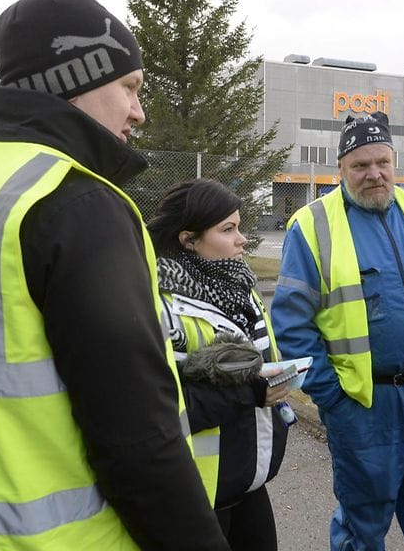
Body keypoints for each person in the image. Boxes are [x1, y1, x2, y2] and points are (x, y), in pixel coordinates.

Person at [0, 0, 227, 550]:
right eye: (130, 86)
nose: (139, 110)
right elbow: (139, 442)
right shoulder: (77, 203)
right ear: (79, 77)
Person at [271, 110, 404, 550]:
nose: (374, 175)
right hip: (365, 405)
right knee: (363, 528)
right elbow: (291, 326)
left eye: (382, 163)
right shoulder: (312, 227)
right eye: (360, 165)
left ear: (394, 162)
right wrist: (334, 399)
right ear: (341, 169)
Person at [147, 179, 291, 551]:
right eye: (228, 230)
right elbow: (158, 413)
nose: (242, 239)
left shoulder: (239, 285)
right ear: (188, 240)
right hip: (195, 500)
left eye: (239, 226)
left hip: (250, 486)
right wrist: (251, 391)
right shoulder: (158, 305)